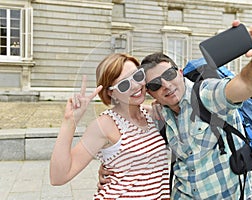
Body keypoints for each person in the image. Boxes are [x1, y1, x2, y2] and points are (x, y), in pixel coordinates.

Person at [98, 20, 252, 199]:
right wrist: (112, 167)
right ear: (150, 93)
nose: (166, 86)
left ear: (180, 72)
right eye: (155, 84)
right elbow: (130, 125)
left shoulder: (207, 94)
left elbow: (248, 83)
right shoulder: (161, 112)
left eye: (169, 74)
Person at [50, 53, 170, 199]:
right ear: (111, 93)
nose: (136, 85)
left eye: (137, 76)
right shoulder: (105, 125)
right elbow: (59, 177)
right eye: (124, 84)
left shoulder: (153, 115)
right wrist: (69, 121)